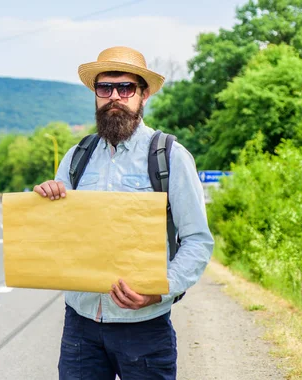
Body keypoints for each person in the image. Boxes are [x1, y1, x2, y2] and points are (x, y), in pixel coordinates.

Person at [33, 46, 214, 379]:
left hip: (143, 330)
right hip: (80, 327)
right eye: (105, 88)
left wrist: (159, 290)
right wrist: (47, 201)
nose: (114, 96)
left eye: (125, 88)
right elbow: (59, 236)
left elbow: (197, 241)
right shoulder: (76, 157)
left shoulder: (169, 156)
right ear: (96, 95)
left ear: (143, 95)